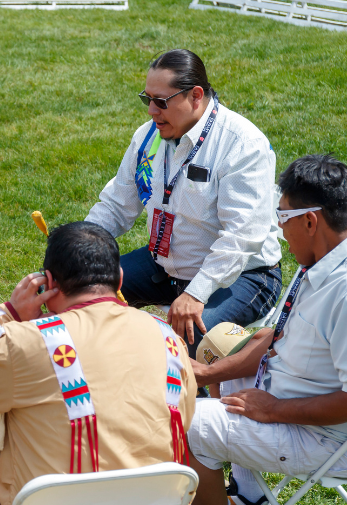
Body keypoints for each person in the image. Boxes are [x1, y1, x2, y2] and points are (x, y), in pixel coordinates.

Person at [0, 221, 197, 505]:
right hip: (150, 503)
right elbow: (183, 421)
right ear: (119, 279)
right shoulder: (168, 339)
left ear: (49, 283)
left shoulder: (31, 342)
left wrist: (8, 312)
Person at [85, 49, 282, 354]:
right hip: (165, 263)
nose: (151, 110)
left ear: (196, 96)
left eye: (161, 101)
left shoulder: (243, 144)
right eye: (146, 99)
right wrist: (75, 249)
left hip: (242, 275)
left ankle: (189, 400)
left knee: (183, 346)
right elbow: (116, 205)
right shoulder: (147, 136)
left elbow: (241, 238)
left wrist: (196, 293)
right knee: (81, 293)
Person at [187, 154, 347, 505]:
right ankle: (249, 496)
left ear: (310, 221)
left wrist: (274, 409)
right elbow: (280, 337)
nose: (279, 228)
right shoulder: (321, 260)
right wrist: (208, 373)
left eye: (282, 217)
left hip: (325, 440)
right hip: (285, 399)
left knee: (186, 421)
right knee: (216, 345)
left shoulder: (344, 291)